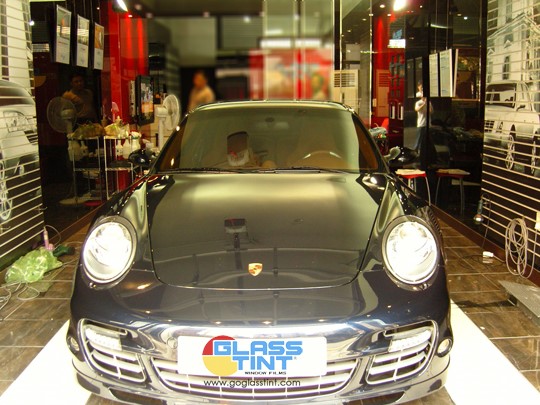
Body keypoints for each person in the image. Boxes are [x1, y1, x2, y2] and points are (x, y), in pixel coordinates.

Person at [414, 82, 433, 150]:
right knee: (419, 138)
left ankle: (426, 149)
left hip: (428, 123)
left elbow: (431, 111)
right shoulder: (418, 102)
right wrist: (423, 104)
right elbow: (416, 109)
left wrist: (427, 104)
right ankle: (416, 149)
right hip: (421, 123)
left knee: (428, 138)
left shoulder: (428, 102)